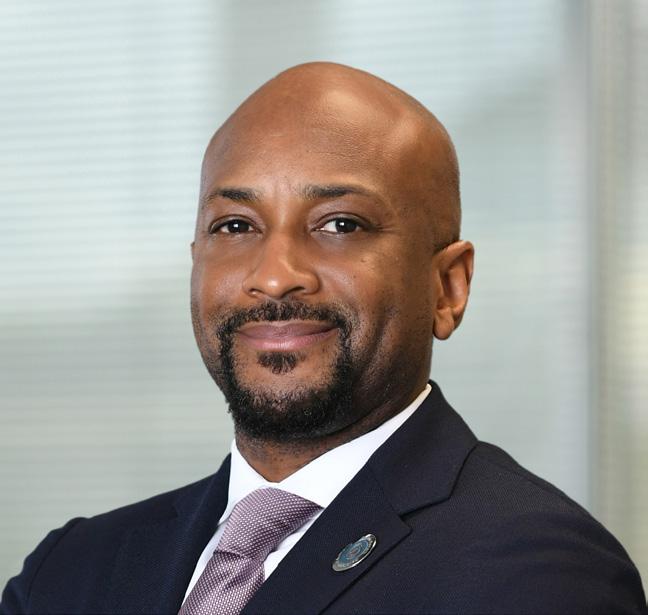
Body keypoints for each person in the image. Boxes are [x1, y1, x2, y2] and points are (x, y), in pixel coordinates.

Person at [1, 62, 646, 615]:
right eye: (235, 226)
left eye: (341, 224)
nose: (274, 275)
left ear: (447, 287)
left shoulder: (536, 577)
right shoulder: (69, 574)